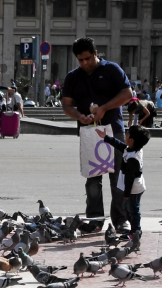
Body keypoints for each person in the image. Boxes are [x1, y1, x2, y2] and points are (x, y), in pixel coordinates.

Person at [60, 36, 133, 231]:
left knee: (117, 177)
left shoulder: (112, 70)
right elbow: (67, 105)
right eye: (80, 60)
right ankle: (95, 219)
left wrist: (104, 108)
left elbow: (127, 94)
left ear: (95, 53)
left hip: (113, 130)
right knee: (92, 179)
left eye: (87, 59)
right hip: (88, 132)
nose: (84, 63)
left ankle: (120, 219)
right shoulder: (73, 77)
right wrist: (78, 116)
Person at [95, 124, 150, 238]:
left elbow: (130, 177)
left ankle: (135, 232)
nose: (126, 134)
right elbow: (120, 146)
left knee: (133, 211)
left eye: (128, 132)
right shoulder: (131, 149)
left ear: (131, 140)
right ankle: (133, 229)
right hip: (131, 188)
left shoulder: (132, 159)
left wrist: (126, 194)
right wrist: (106, 137)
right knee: (127, 209)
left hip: (133, 189)